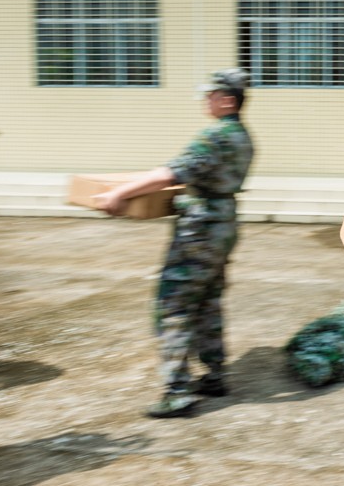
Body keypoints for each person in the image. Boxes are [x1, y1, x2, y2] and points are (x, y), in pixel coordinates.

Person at [95, 68, 255, 417]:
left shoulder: (215, 137)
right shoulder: (244, 137)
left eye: (211, 94)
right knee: (209, 300)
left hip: (198, 231)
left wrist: (119, 193)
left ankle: (177, 390)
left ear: (227, 100)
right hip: (223, 226)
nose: (206, 100)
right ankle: (215, 375)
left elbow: (170, 174)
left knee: (175, 306)